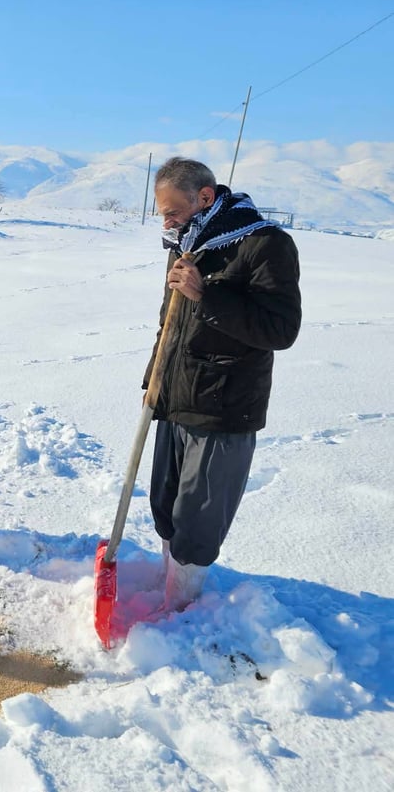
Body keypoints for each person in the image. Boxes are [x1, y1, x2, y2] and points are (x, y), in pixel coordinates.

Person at [146, 157, 301, 611]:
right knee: (166, 506)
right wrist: (153, 379)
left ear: (205, 198)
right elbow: (169, 323)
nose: (167, 221)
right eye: (162, 213)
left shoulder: (264, 244)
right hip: (174, 394)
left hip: (223, 404)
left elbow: (280, 330)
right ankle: (164, 588)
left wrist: (207, 295)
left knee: (199, 518)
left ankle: (181, 610)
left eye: (172, 211)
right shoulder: (187, 244)